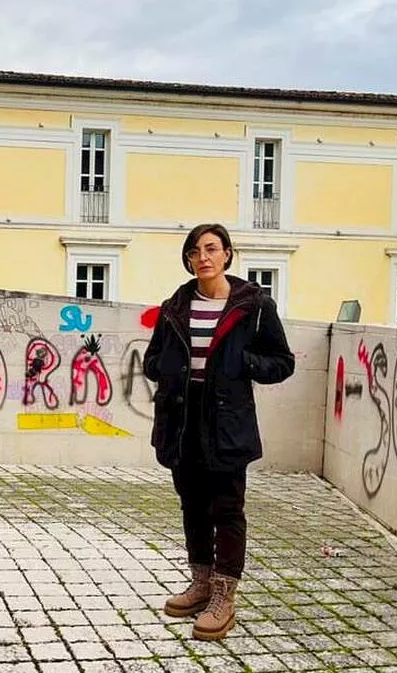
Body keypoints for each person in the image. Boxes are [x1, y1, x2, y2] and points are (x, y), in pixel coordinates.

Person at [142, 223, 295, 641]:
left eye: (211, 249)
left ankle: (224, 597)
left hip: (227, 424)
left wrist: (241, 362)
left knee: (226, 511)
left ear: (227, 253)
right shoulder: (175, 305)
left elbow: (282, 362)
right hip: (181, 422)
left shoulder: (254, 307)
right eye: (194, 251)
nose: (202, 257)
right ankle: (202, 583)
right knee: (192, 506)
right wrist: (167, 369)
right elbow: (152, 361)